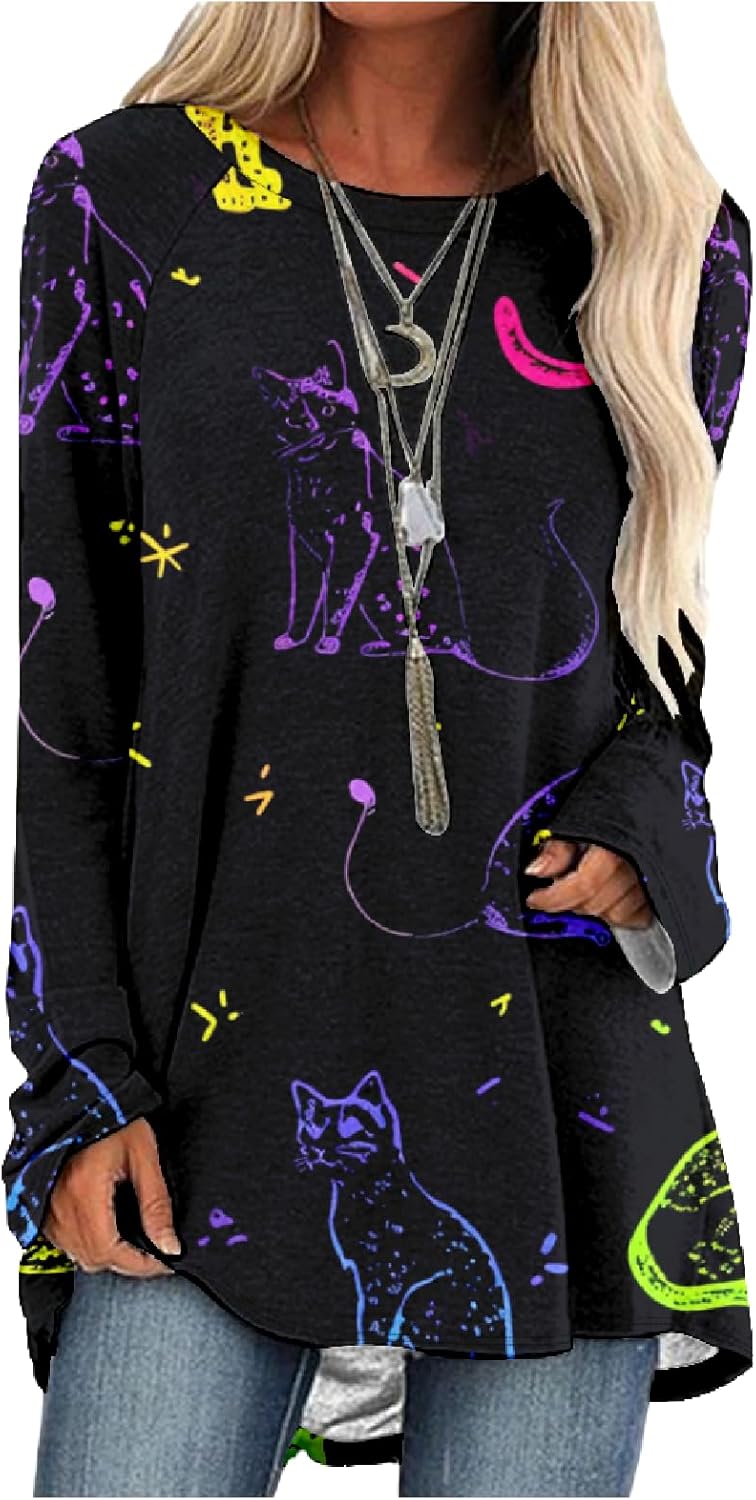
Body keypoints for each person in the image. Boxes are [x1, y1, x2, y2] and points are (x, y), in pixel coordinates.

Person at [5, 2, 751, 1495]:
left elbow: (650, 669)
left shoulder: (666, 242)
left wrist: (640, 829)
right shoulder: (126, 199)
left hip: (552, 1083)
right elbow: (65, 691)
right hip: (205, 1072)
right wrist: (78, 1078)